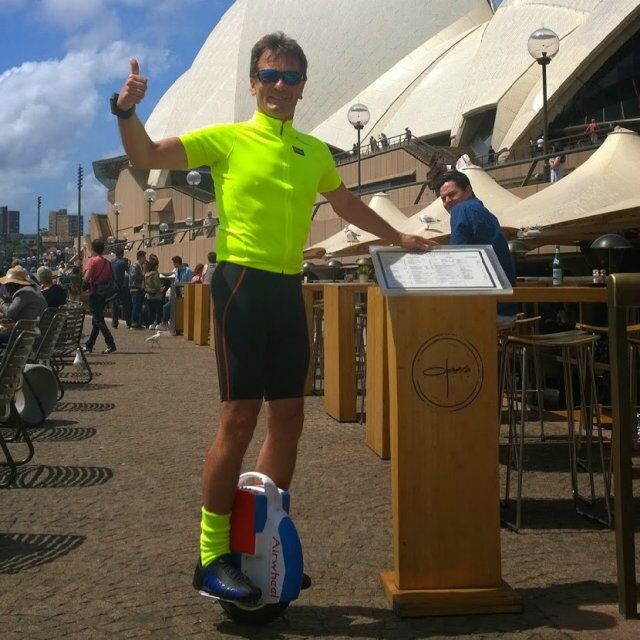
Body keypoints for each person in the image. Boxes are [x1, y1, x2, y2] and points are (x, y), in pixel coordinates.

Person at [113, 30, 431, 604]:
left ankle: (260, 540)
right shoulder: (229, 139)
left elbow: (347, 205)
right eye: (270, 75)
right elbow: (146, 156)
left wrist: (399, 236)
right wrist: (126, 111)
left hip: (288, 287)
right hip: (241, 284)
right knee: (238, 418)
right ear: (253, 84)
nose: (280, 86)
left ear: (303, 87)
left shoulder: (314, 152)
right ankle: (212, 556)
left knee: (289, 419)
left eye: (290, 77)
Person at [437, 170, 517, 326]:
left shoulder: (461, 209)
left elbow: (455, 259)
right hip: (507, 308)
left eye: (452, 194)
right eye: (443, 198)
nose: (447, 201)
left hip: (488, 308)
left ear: (468, 190)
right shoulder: (487, 214)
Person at [82, 239, 117, 354]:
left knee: (98, 320)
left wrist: (83, 286)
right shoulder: (107, 262)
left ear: (93, 249)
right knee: (96, 321)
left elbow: (86, 278)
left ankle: (110, 343)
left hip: (95, 293)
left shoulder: (92, 261)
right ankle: (89, 344)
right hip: (104, 293)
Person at [0, 265, 47, 343]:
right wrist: (7, 299)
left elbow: (9, 313)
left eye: (7, 285)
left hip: (27, 336)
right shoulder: (31, 290)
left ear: (14, 284)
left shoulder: (23, 292)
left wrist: (1, 301)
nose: (7, 289)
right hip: (36, 333)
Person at [111, 246, 131, 328]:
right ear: (122, 254)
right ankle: (129, 323)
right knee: (126, 304)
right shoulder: (122, 263)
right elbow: (129, 272)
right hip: (122, 286)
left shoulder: (111, 262)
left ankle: (114, 323)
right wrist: (128, 264)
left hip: (113, 286)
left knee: (114, 305)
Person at [143, 256, 163, 329]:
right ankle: (158, 324)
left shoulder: (146, 274)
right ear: (155, 266)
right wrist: (161, 288)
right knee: (158, 310)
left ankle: (151, 324)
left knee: (151, 310)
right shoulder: (155, 274)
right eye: (157, 265)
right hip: (156, 295)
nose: (158, 267)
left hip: (149, 294)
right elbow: (157, 285)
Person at [129, 250, 146, 329]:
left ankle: (138, 323)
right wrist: (142, 276)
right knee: (136, 305)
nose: (145, 259)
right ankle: (134, 322)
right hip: (135, 288)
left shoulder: (141, 266)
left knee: (139, 306)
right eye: (144, 257)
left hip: (140, 288)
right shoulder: (135, 265)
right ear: (140, 257)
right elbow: (133, 275)